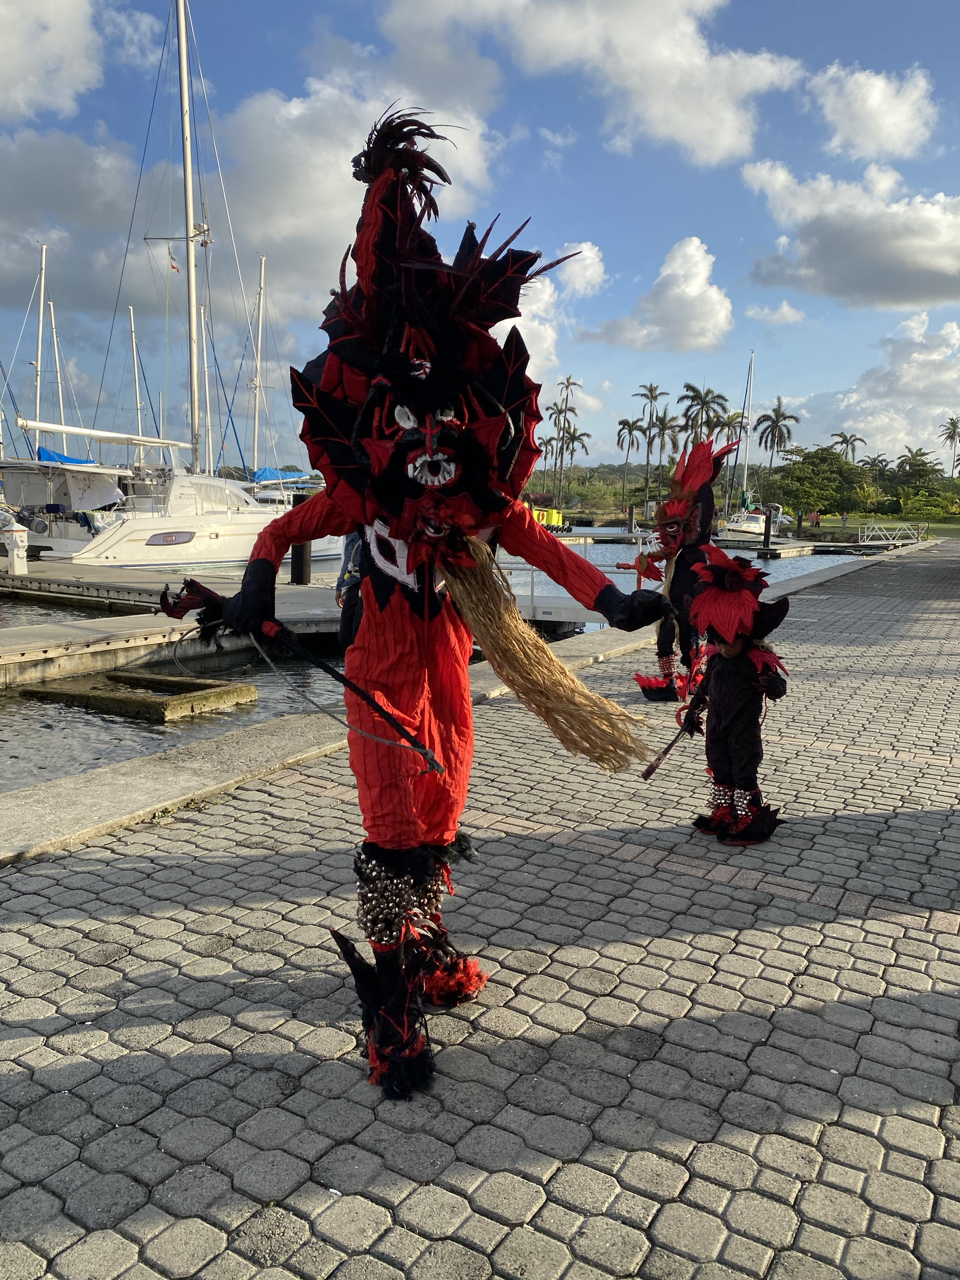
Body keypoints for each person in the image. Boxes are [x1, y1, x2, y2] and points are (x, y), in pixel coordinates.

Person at [217, 112, 671, 1099]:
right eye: (406, 419)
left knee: (441, 804)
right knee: (392, 823)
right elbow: (279, 531)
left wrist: (612, 599)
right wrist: (255, 587)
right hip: (380, 669)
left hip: (450, 670)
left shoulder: (476, 506)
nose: (427, 438)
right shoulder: (362, 498)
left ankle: (424, 943)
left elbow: (538, 542)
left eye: (444, 419)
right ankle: (390, 1010)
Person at [680, 545, 789, 845]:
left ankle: (750, 816)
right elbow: (705, 688)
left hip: (743, 730)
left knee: (743, 772)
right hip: (717, 726)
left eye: (730, 642)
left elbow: (778, 688)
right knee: (720, 769)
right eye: (718, 642)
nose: (724, 648)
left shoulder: (755, 661)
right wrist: (693, 712)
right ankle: (724, 811)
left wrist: (774, 687)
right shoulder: (717, 659)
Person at [632, 439, 735, 702]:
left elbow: (703, 512)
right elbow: (667, 550)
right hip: (678, 597)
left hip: (689, 597)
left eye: (677, 527)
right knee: (673, 633)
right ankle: (678, 681)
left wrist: (710, 472)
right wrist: (645, 560)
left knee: (687, 634)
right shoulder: (683, 554)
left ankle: (688, 680)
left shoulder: (700, 552)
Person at [335, 530, 363, 650]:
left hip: (378, 583)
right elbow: (349, 556)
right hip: (355, 582)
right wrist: (340, 585)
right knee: (346, 637)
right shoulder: (353, 527)